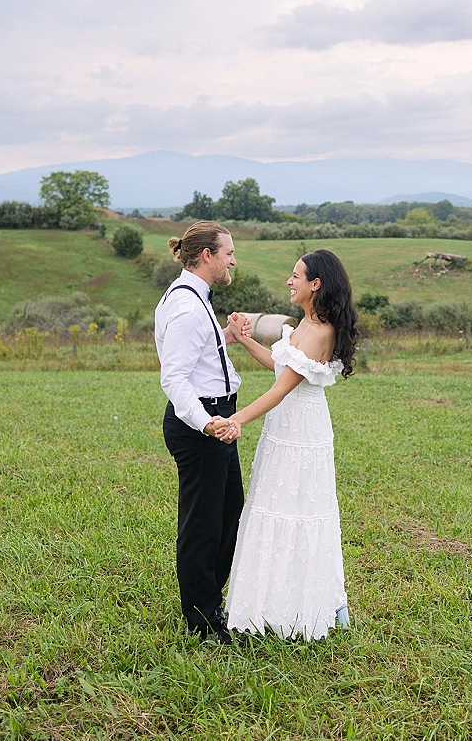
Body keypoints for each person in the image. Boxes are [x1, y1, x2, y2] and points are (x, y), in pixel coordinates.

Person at [213, 249, 359, 640]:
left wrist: (235, 419)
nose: (289, 282)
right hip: (284, 428)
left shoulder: (321, 331)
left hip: (302, 432)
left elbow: (280, 390)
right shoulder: (303, 326)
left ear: (316, 284)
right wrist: (244, 339)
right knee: (272, 505)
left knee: (296, 509)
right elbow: (281, 367)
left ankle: (295, 608)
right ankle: (268, 603)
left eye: (296, 276)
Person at [154, 220, 250, 645]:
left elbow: (197, 356)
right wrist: (208, 423)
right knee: (203, 524)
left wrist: (226, 336)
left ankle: (210, 598)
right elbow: (174, 378)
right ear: (207, 255)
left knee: (230, 510)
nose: (233, 260)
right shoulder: (188, 306)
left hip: (217, 421)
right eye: (228, 252)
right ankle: (203, 621)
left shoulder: (195, 298)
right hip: (203, 425)